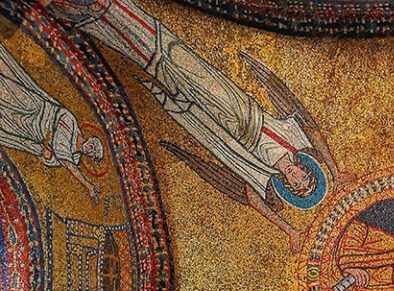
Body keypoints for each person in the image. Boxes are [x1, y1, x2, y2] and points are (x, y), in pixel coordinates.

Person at [48, 0, 339, 206]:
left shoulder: (263, 172)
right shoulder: (294, 141)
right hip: (238, 106)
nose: (295, 181)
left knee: (159, 69)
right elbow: (312, 130)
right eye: (303, 179)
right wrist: (337, 172)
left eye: (295, 187)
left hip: (216, 124)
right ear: (305, 168)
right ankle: (112, 9)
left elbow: (251, 193)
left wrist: (290, 232)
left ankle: (96, 22)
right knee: (175, 57)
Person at [0, 44, 104, 203]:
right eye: (92, 147)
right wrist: (87, 185)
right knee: (6, 90)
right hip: (36, 108)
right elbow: (62, 154)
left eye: (91, 154)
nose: (89, 151)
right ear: (90, 139)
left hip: (31, 132)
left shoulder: (73, 158)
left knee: (4, 121)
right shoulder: (70, 121)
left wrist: (47, 157)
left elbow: (55, 158)